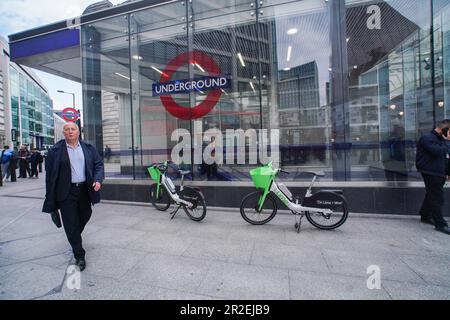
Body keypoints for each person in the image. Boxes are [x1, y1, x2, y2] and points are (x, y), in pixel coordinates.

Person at [42, 122, 104, 271]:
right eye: (67, 129)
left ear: (78, 131)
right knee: (70, 224)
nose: (70, 131)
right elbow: (50, 176)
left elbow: (98, 165)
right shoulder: (55, 151)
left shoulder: (88, 148)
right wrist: (49, 197)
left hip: (84, 190)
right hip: (65, 192)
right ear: (63, 133)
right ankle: (79, 255)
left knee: (85, 215)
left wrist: (97, 179)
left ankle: (74, 236)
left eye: (73, 129)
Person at [416, 119, 450, 235]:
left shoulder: (441, 140)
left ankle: (425, 215)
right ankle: (440, 223)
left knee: (431, 194)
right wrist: (448, 141)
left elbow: (446, 157)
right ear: (443, 129)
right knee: (437, 197)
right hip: (430, 172)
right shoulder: (427, 138)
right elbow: (438, 152)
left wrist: (448, 172)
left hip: (439, 172)